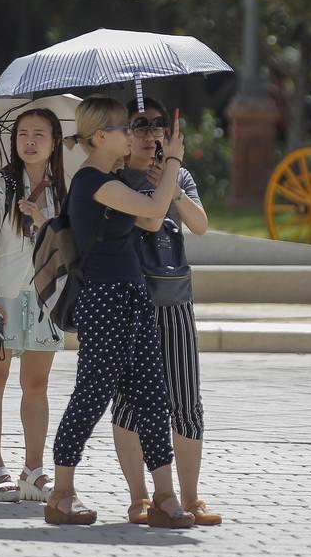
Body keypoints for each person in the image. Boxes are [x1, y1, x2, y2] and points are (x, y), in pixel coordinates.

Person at [44, 97, 194, 529]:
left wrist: (161, 177)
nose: (134, 134)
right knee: (92, 394)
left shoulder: (112, 179)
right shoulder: (91, 181)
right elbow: (151, 210)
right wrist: (173, 164)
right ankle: (61, 493)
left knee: (152, 397)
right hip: (105, 300)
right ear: (99, 136)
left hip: (132, 297)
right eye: (124, 129)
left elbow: (149, 223)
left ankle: (164, 496)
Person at [111, 97, 221, 527]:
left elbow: (200, 223)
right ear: (124, 131)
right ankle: (140, 498)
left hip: (175, 300)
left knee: (186, 401)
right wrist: (162, 186)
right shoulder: (115, 179)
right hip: (130, 302)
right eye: (140, 125)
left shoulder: (180, 176)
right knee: (129, 404)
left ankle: (190, 497)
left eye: (158, 124)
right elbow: (151, 221)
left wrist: (173, 183)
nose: (151, 133)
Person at [0, 109, 68, 503]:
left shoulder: (63, 190)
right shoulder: (0, 184)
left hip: (44, 301)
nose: (30, 141)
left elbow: (66, 247)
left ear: (55, 141)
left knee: (36, 385)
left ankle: (34, 471)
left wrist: (42, 219)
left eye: (39, 134)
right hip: (1, 295)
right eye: (23, 133)